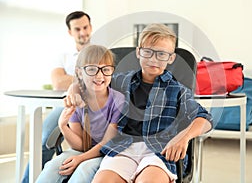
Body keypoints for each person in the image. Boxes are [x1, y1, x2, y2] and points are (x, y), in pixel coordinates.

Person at [70, 23, 213, 183]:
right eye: (148, 52)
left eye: (161, 54)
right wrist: (74, 88)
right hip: (123, 148)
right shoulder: (121, 81)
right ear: (138, 52)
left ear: (171, 58)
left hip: (159, 151)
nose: (153, 59)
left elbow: (205, 119)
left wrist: (183, 137)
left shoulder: (178, 90)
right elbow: (93, 82)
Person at [36, 45, 124, 182]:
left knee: (84, 169)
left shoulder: (118, 101)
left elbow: (108, 143)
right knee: (53, 166)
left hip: (106, 154)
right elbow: (80, 146)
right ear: (79, 73)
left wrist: (80, 159)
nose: (99, 75)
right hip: (82, 151)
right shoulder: (77, 100)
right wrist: (63, 126)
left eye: (105, 69)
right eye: (92, 69)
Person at [22, 11, 93, 183]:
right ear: (70, 32)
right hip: (65, 106)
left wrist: (75, 79)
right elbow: (58, 82)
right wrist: (85, 78)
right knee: (45, 139)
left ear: (90, 27)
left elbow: (104, 80)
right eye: (77, 29)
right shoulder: (63, 56)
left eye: (85, 27)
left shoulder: (101, 51)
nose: (83, 32)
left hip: (93, 107)